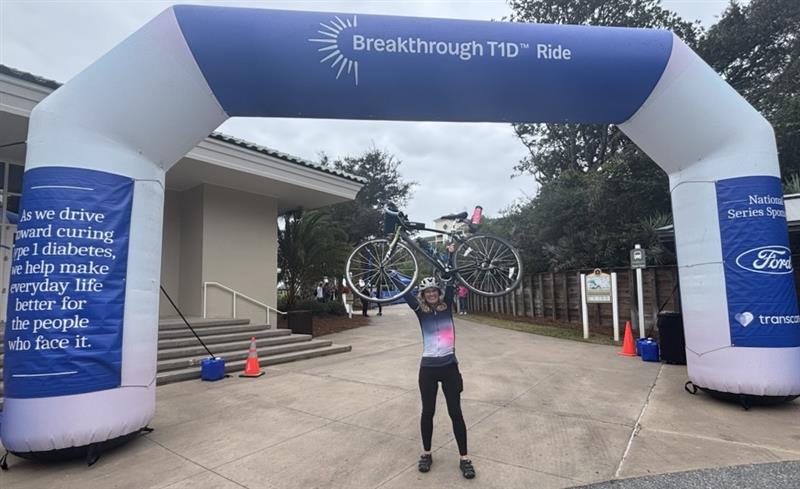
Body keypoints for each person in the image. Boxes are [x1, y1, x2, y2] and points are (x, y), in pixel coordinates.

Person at [398, 244, 475, 479]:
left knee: (456, 413)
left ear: (439, 293)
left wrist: (451, 253)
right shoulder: (420, 312)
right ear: (423, 296)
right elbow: (405, 293)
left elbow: (451, 277)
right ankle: (427, 453)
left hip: (450, 368)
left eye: (434, 291)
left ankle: (464, 458)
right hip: (428, 369)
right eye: (427, 292)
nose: (431, 294)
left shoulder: (447, 308)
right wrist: (392, 274)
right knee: (427, 412)